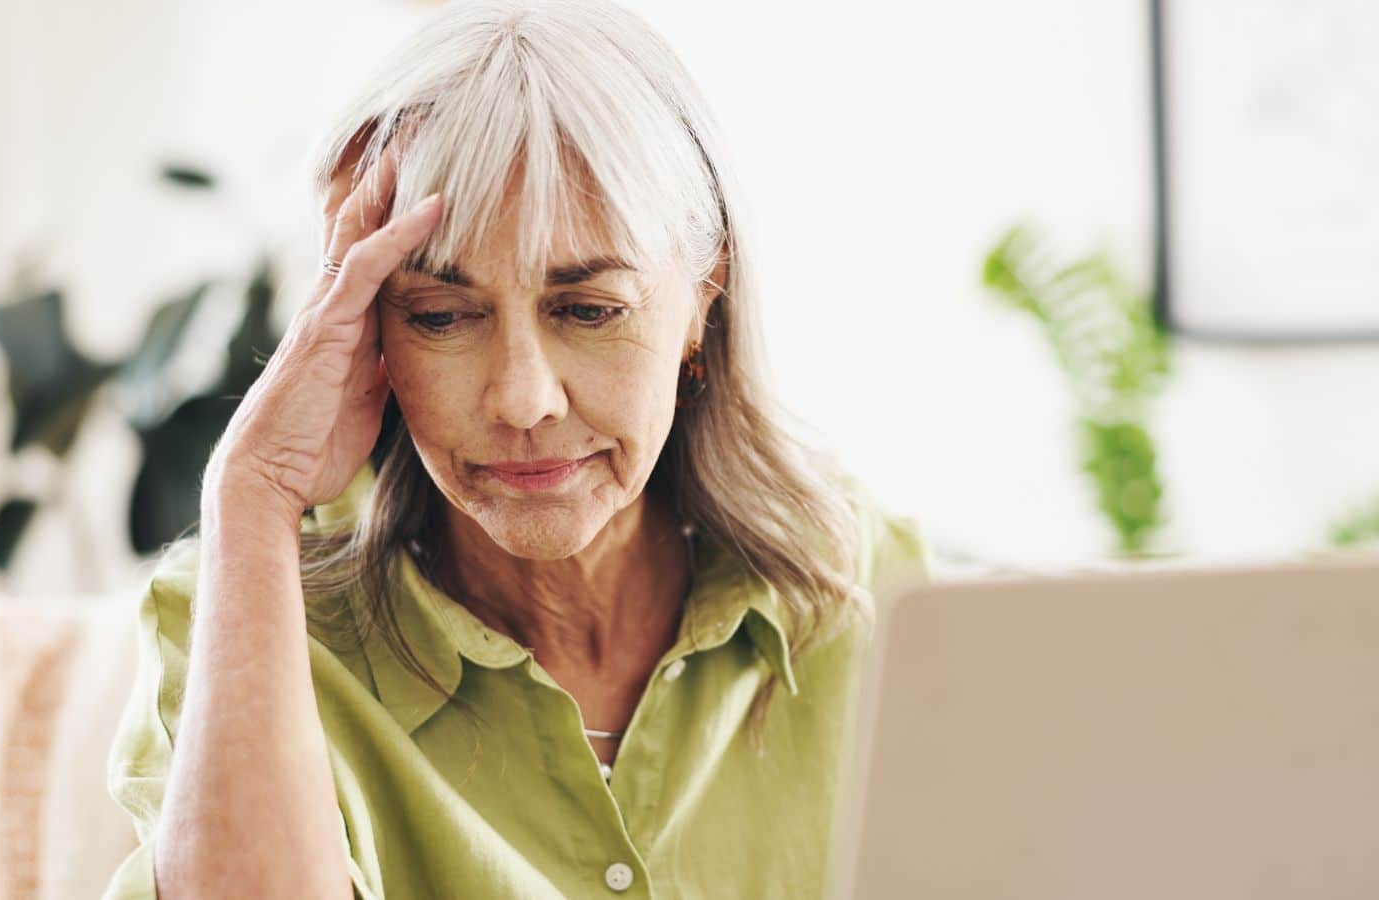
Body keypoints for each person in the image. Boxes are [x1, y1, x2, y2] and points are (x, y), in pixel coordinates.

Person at [102, 1, 932, 897]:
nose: (522, 399)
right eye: (441, 317)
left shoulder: (867, 589)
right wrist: (254, 486)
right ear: (368, 325)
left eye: (587, 310)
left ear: (703, 297)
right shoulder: (244, 620)